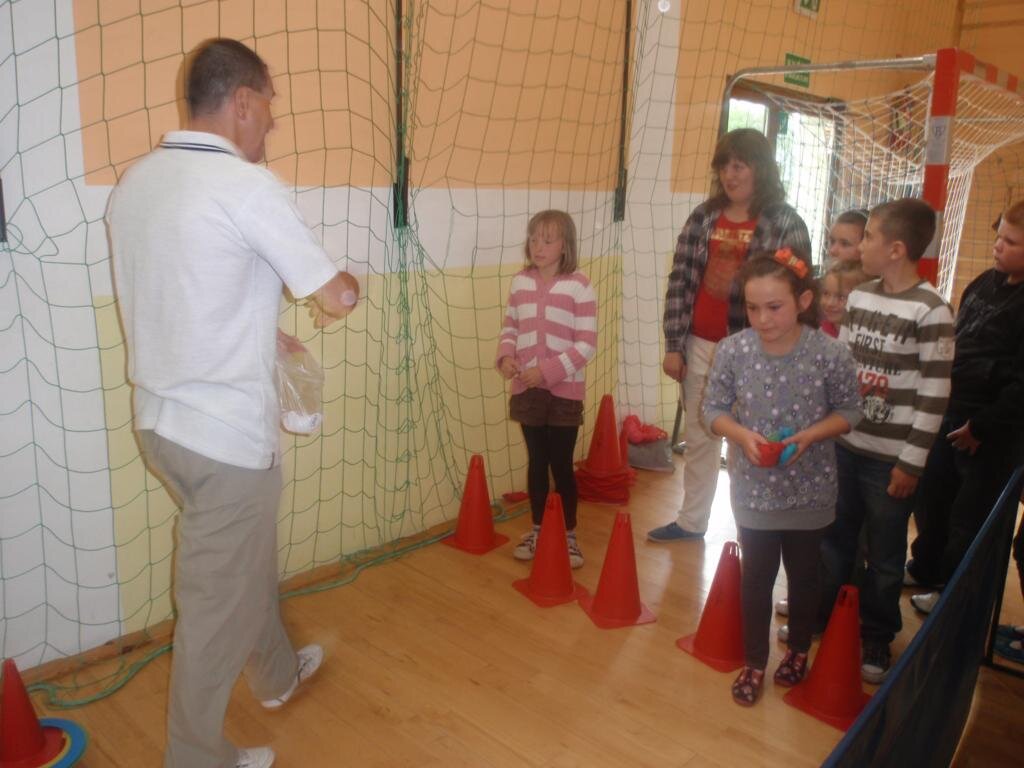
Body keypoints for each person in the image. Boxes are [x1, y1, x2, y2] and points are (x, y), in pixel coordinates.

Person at [107, 39, 359, 768]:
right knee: (214, 608)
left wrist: (259, 330)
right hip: (224, 441)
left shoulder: (137, 184)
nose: (272, 123)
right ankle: (195, 756)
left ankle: (276, 676)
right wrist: (351, 284)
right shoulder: (247, 187)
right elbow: (334, 298)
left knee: (244, 561)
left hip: (162, 428)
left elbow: (184, 293)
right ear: (242, 101)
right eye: (269, 106)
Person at [702, 251, 860, 705]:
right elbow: (712, 409)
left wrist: (810, 436)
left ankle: (798, 650)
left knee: (805, 576)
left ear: (803, 301)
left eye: (774, 307)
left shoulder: (830, 353)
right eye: (753, 308)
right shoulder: (733, 350)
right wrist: (741, 435)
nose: (762, 319)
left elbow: (851, 411)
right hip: (754, 489)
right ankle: (755, 661)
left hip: (811, 488)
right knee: (756, 578)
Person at [649, 128, 811, 543]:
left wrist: (782, 356)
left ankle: (752, 531)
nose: (730, 175)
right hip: (699, 345)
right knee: (700, 436)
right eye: (724, 166)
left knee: (748, 443)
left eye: (739, 166)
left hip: (757, 353)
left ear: (760, 169)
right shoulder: (703, 217)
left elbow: (797, 294)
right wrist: (674, 345)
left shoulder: (785, 222)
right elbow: (680, 281)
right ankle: (691, 522)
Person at [817, 198, 954, 684]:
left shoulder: (931, 310)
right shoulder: (860, 297)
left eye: (869, 237)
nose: (862, 246)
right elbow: (843, 365)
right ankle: (828, 618)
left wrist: (910, 463)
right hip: (845, 447)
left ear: (896, 249)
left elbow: (935, 395)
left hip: (890, 462)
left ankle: (876, 634)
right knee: (835, 540)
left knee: (886, 554)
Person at [905, 201, 1024, 615]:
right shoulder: (985, 282)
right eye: (998, 236)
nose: (998, 246)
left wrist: (982, 427)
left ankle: (956, 597)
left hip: (991, 432)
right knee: (932, 499)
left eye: (1011, 242)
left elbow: (1020, 386)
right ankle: (926, 567)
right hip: (951, 410)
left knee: (969, 517)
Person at [496, 210, 597, 568]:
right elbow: (511, 326)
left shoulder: (579, 286)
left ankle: (568, 536)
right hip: (527, 389)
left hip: (565, 392)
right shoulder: (520, 282)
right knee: (537, 461)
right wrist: (506, 357)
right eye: (534, 238)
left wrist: (548, 371)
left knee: (561, 465)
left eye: (548, 239)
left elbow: (586, 344)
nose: (538, 246)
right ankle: (538, 530)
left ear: (565, 245)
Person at [819, 260, 868, 337]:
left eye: (841, 297)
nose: (829, 303)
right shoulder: (820, 332)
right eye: (826, 293)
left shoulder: (865, 336)